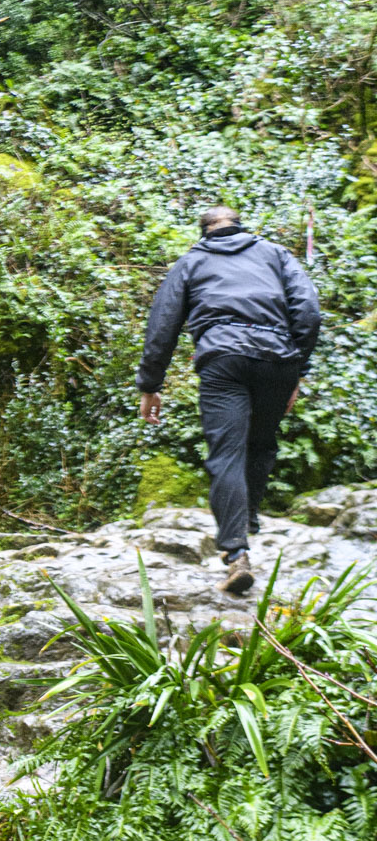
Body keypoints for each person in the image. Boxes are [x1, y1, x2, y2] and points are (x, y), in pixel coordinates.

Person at [137, 204, 321, 597]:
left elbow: (163, 324)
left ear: (204, 232)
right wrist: (296, 370)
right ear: (240, 227)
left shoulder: (191, 262)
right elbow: (308, 310)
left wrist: (150, 385)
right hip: (277, 358)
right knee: (261, 442)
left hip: (223, 361)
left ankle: (237, 551)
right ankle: (247, 516)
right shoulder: (275, 254)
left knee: (226, 452)